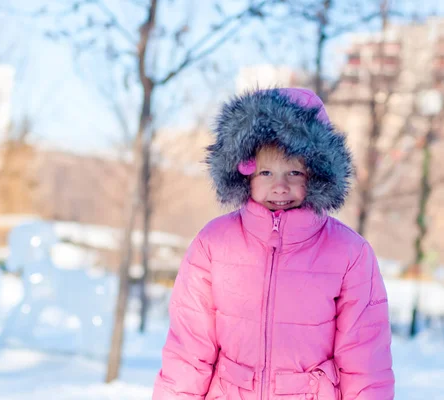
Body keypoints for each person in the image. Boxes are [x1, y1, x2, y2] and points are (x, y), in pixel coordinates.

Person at [152, 88, 394, 399]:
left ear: (316, 174)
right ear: (245, 174)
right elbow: (189, 349)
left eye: (294, 171)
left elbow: (365, 361)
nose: (280, 186)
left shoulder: (349, 254)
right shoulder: (213, 244)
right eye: (266, 171)